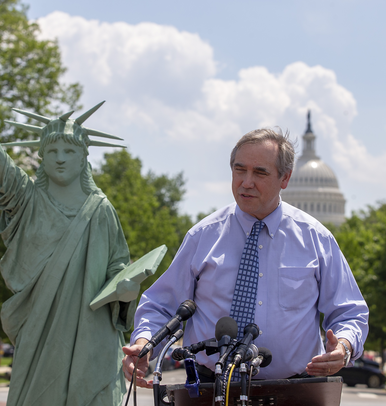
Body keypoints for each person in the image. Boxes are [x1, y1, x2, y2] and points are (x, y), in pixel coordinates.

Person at [122, 128, 369, 386]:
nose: (246, 182)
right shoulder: (203, 236)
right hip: (209, 389)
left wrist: (344, 346)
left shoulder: (316, 239)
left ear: (285, 178)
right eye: (240, 170)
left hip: (294, 391)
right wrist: (144, 344)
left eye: (260, 172)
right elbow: (161, 304)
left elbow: (349, 311)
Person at [0, 66, 135, 405]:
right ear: (41, 158)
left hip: (92, 338)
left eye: (69, 152)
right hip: (41, 338)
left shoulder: (101, 210)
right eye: (52, 152)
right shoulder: (27, 201)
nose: (61, 159)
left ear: (83, 159)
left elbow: (118, 266)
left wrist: (126, 289)